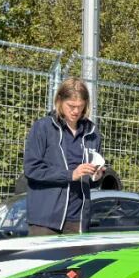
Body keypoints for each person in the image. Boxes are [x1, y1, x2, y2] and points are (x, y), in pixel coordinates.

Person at [23, 77, 104, 235]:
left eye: (80, 106)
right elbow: (32, 169)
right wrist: (70, 175)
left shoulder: (92, 133)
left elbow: (90, 181)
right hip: (46, 220)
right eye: (71, 106)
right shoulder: (43, 128)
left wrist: (97, 176)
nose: (75, 111)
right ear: (59, 101)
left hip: (78, 219)